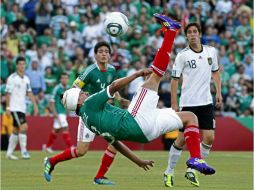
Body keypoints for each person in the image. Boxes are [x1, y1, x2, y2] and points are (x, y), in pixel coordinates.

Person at [43, 14, 216, 185]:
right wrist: (136, 74)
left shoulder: (90, 122)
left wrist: (138, 161)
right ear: (79, 101)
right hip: (135, 120)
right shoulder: (89, 103)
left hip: (146, 133)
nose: (84, 93)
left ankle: (196, 159)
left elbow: (117, 144)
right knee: (154, 76)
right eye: (81, 94)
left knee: (190, 118)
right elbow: (113, 87)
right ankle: (171, 31)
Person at [168, 22, 222, 187]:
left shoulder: (211, 52)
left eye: (195, 32)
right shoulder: (182, 55)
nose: (192, 34)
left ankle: (192, 170)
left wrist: (218, 92)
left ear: (199, 34)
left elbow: (216, 72)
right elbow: (174, 80)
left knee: (209, 138)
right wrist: (174, 102)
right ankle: (169, 171)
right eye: (189, 32)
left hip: (206, 102)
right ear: (186, 36)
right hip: (188, 103)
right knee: (181, 140)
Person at [5, 56, 38, 160]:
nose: (22, 66)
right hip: (14, 108)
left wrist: (35, 105)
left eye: (23, 64)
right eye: (20, 64)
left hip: (22, 108)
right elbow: (8, 94)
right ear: (16, 65)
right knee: (24, 127)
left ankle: (9, 153)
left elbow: (29, 93)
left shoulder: (26, 78)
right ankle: (24, 152)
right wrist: (8, 107)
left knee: (16, 129)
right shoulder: (12, 78)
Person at [43, 73, 73, 153]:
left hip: (63, 111)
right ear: (60, 79)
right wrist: (54, 112)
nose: (65, 80)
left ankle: (48, 147)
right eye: (63, 78)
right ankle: (70, 147)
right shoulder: (57, 88)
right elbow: (51, 101)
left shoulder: (68, 88)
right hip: (58, 111)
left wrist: (68, 110)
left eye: (66, 78)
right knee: (65, 127)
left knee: (56, 129)